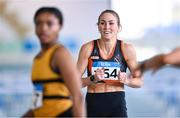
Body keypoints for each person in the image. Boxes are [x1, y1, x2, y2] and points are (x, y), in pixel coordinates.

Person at [77, 9, 143, 117]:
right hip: (93, 104)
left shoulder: (127, 49)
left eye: (111, 23)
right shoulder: (87, 48)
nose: (107, 27)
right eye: (102, 23)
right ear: (98, 27)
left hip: (117, 105)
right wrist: (92, 79)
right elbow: (74, 82)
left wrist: (127, 80)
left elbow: (140, 81)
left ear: (119, 27)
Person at [23, 7, 86, 117]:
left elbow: (77, 97)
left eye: (49, 23)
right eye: (39, 23)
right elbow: (37, 103)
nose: (43, 28)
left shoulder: (60, 54)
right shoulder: (37, 59)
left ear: (59, 26)